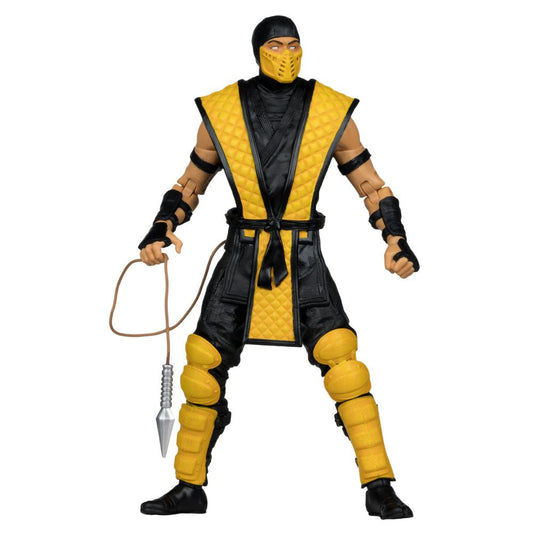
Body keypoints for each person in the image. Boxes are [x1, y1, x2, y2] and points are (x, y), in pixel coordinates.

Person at [137, 15, 418, 520]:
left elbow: (371, 185)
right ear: (258, 50)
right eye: (276, 45)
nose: (286, 54)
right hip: (242, 257)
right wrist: (160, 228)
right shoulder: (222, 110)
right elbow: (190, 184)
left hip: (302, 255)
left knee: (344, 366)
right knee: (203, 369)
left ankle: (379, 484)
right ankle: (188, 486)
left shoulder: (330, 110)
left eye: (294, 45)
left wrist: (395, 238)